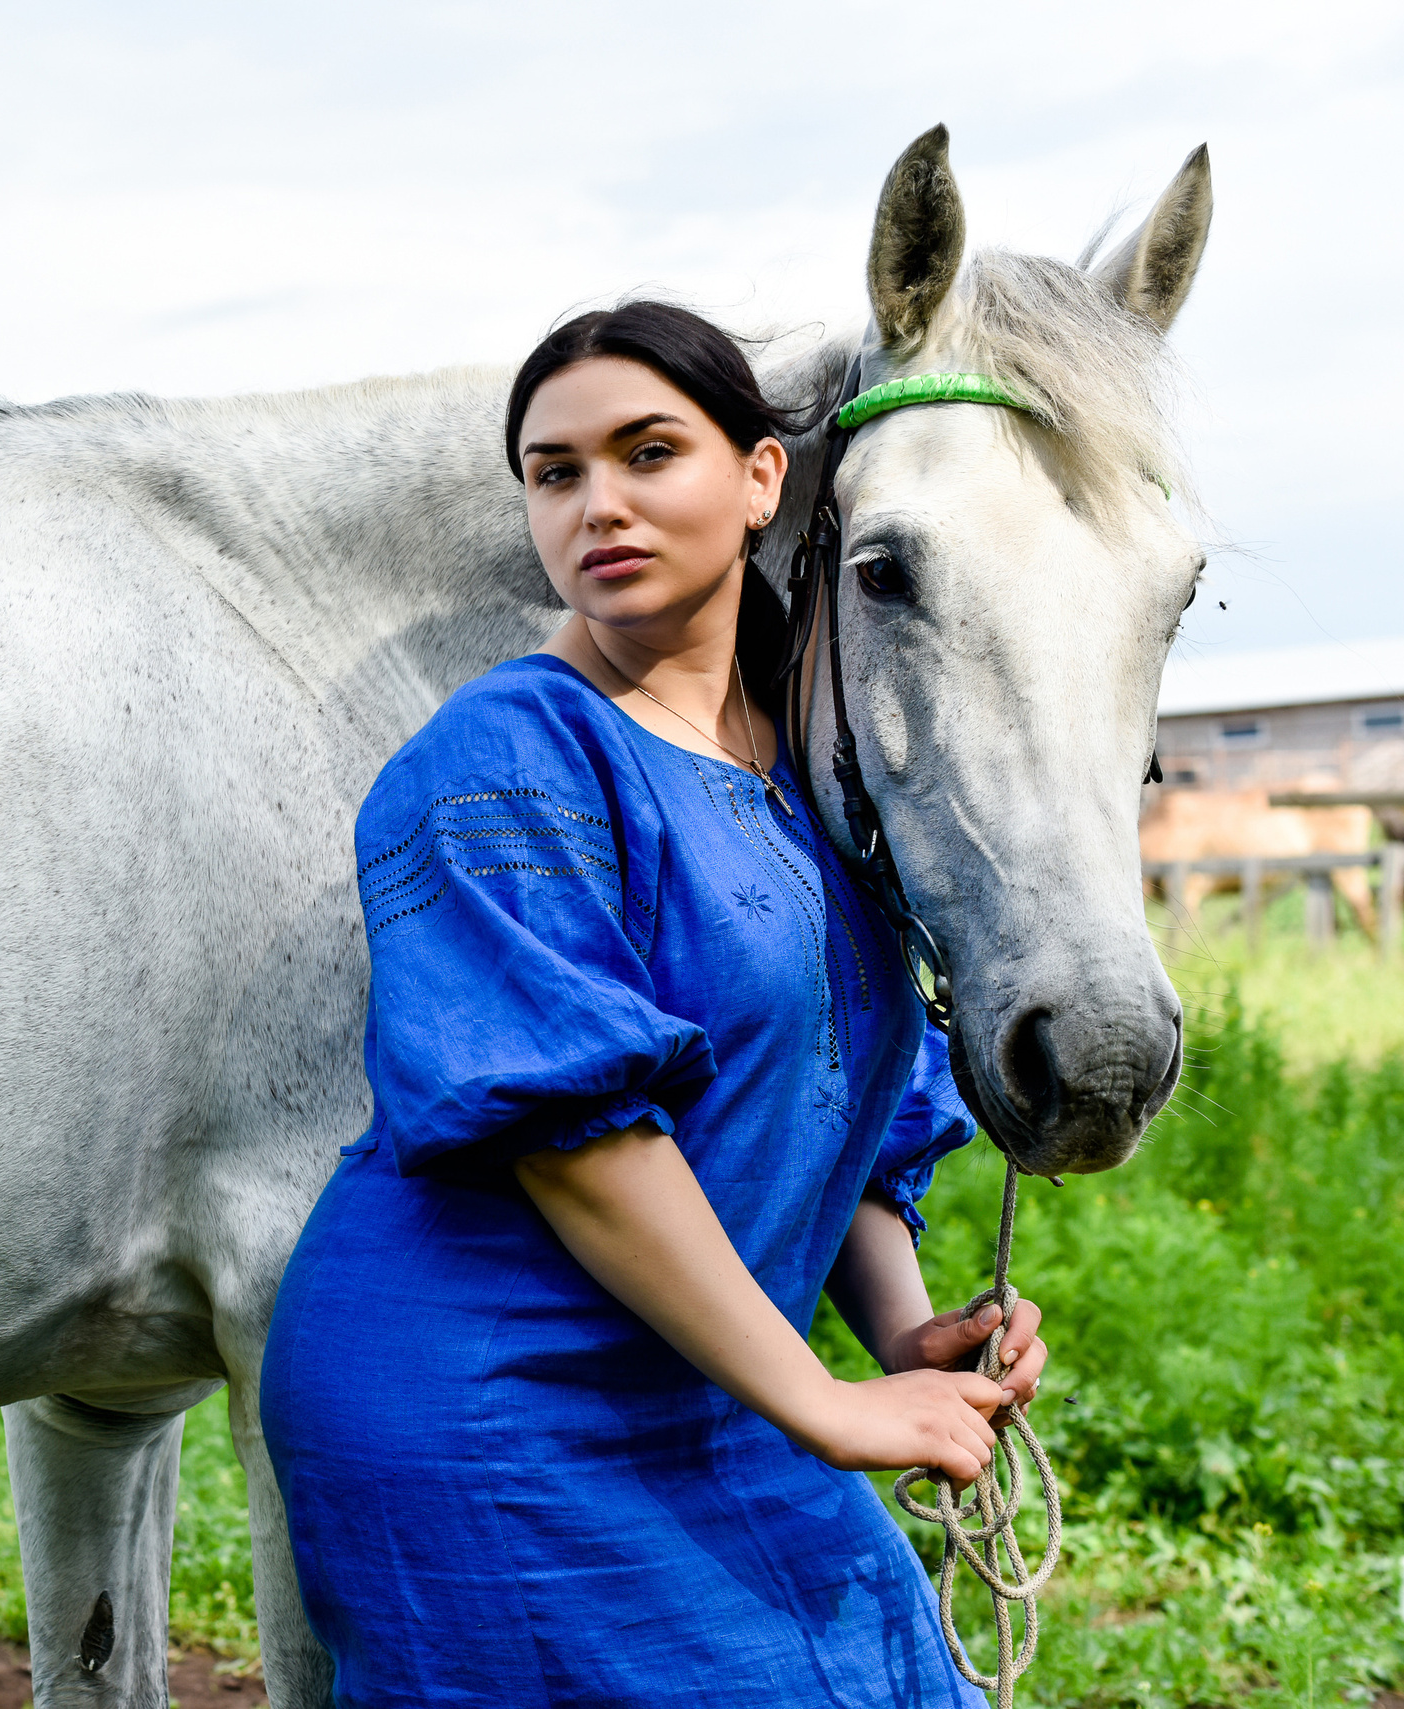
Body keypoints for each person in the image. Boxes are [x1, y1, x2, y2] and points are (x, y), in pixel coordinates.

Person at [258, 301, 1048, 1707]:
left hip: (706, 1380)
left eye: (646, 452)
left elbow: (835, 1096)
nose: (597, 503)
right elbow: (579, 1139)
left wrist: (900, 1333)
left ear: (761, 479)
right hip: (490, 1403)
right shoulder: (501, 759)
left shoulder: (807, 767)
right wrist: (822, 1400)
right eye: (555, 472)